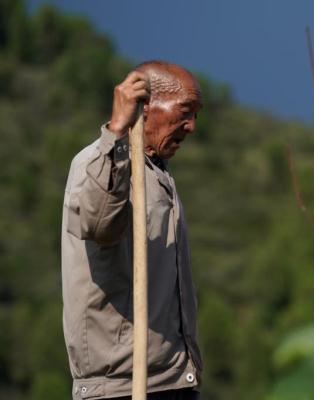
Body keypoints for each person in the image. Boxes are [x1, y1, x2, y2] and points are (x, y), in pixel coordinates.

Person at [61, 60, 203, 400]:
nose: (192, 126)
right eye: (185, 111)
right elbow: (99, 225)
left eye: (196, 114)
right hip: (121, 388)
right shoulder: (97, 163)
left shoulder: (159, 174)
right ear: (145, 106)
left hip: (172, 382)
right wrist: (116, 133)